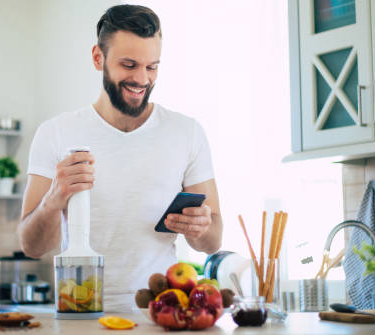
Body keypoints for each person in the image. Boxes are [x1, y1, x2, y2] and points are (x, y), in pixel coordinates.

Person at [18, 4, 222, 311]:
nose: (142, 79)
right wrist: (55, 198)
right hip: (80, 314)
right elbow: (32, 247)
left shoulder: (187, 132)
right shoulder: (56, 133)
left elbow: (213, 240)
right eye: (129, 65)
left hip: (161, 314)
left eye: (152, 67)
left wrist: (201, 226)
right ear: (98, 58)